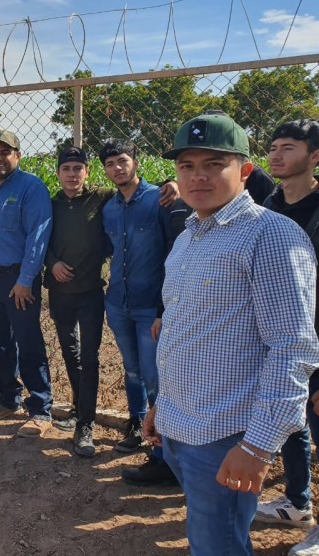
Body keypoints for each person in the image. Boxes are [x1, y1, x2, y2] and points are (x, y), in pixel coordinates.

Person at [145, 111, 319, 555]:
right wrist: (162, 406)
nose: (197, 176)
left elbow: (292, 348)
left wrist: (258, 447)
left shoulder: (272, 236)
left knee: (216, 545)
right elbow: (184, 333)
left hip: (227, 435)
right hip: (181, 425)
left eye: (212, 164)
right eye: (187, 166)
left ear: (244, 171)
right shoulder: (189, 236)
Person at [254, 120, 319, 556]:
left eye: (289, 147)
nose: (276, 155)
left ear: (315, 157)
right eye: (273, 147)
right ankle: (297, 503)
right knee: (291, 421)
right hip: (277, 341)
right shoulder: (269, 206)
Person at [99, 139, 177, 486]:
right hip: (118, 302)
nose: (117, 168)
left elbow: (175, 249)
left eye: (122, 160)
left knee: (155, 377)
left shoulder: (160, 200)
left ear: (136, 161)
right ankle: (136, 427)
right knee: (131, 371)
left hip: (150, 306)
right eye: (110, 163)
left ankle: (163, 455)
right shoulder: (109, 208)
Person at [0, 130, 53, 438]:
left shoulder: (31, 187)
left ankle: (41, 409)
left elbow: (38, 235)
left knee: (28, 341)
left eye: (5, 152)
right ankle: (7, 399)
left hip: (17, 278)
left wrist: (25, 279)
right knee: (1, 341)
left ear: (17, 155)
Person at [44, 147, 113, 457]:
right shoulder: (51, 204)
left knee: (89, 355)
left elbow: (135, 188)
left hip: (90, 293)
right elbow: (38, 240)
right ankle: (77, 405)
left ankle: (85, 424)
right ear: (58, 173)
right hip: (60, 292)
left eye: (78, 168)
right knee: (69, 351)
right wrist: (52, 262)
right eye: (66, 168)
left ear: (87, 172)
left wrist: (169, 182)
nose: (72, 174)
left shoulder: (101, 197)